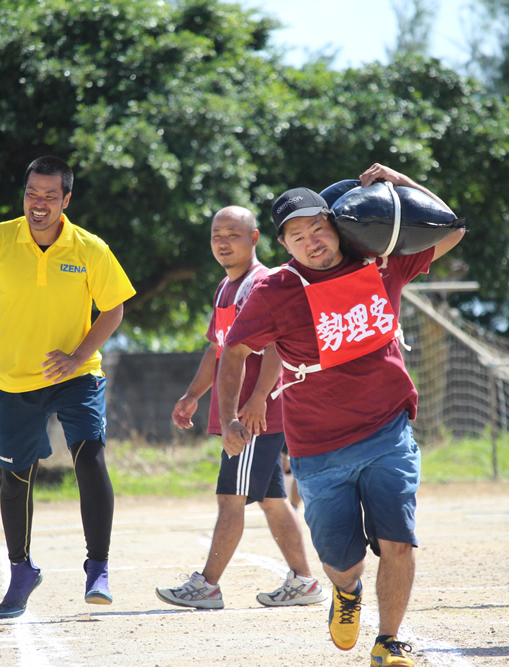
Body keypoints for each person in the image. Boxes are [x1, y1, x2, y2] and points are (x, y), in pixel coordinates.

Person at [218, 164, 465, 666]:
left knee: (398, 541)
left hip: (387, 430)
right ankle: (346, 592)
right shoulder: (273, 292)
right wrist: (230, 418)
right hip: (316, 448)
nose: (312, 242)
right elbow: (234, 352)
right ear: (283, 245)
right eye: (297, 236)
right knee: (340, 560)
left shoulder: (380, 264)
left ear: (337, 225)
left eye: (318, 228)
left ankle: (390, 641)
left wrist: (400, 183)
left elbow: (451, 227)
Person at [0, 156, 136, 619]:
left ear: (66, 200)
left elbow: (113, 310)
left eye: (49, 196)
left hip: (77, 376)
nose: (38, 204)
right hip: (13, 379)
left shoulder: (90, 248)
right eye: (32, 194)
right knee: (16, 478)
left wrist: (77, 357)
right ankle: (22, 570)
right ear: (22, 193)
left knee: (90, 456)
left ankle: (98, 566)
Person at [156, 206, 325, 610]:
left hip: (253, 416)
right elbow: (218, 349)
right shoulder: (225, 288)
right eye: (217, 234)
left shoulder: (261, 283)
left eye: (233, 233)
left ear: (253, 238)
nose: (222, 241)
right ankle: (304, 581)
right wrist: (193, 394)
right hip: (241, 412)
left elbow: (275, 349)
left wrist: (255, 401)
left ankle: (208, 586)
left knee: (230, 496)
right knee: (270, 499)